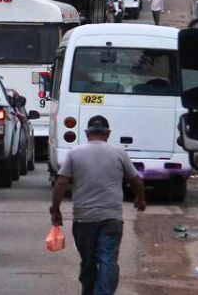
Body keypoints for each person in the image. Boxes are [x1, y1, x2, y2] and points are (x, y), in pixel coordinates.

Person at [50, 116, 146, 295]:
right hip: (112, 219)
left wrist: (55, 209)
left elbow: (62, 183)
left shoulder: (74, 153)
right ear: (108, 133)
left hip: (83, 219)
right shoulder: (119, 153)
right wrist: (140, 199)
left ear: (87, 133)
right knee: (108, 260)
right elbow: (137, 181)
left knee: (88, 261)